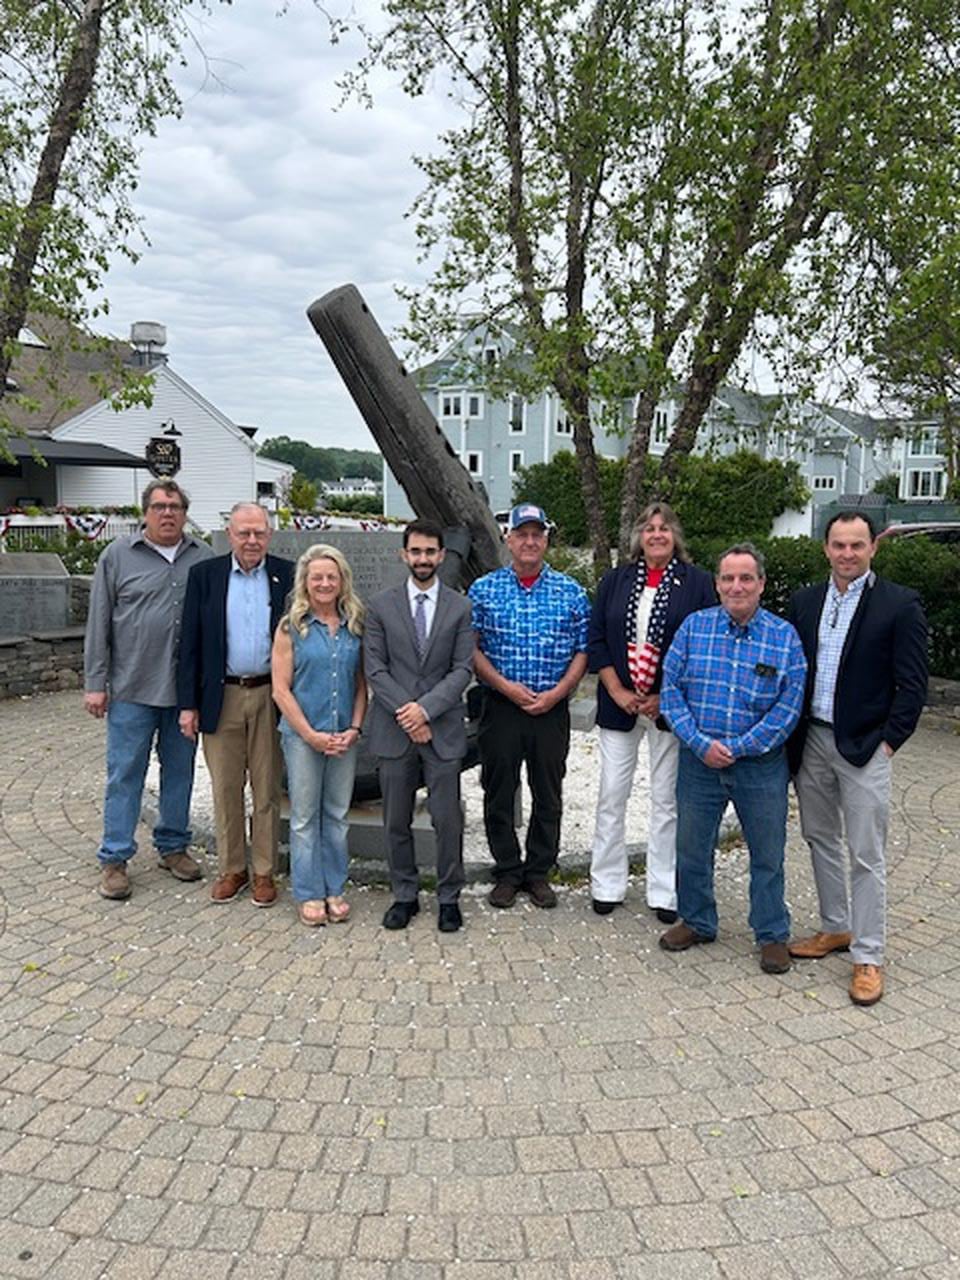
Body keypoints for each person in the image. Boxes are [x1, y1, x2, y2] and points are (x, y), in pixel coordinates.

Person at [786, 511, 928, 1007]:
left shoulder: (899, 605)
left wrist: (889, 742)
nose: (847, 553)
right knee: (819, 837)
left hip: (866, 747)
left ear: (873, 547)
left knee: (866, 853)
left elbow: (913, 685)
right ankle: (836, 927)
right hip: (812, 740)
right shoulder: (805, 601)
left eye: (857, 545)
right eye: (839, 545)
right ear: (826, 548)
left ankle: (868, 955)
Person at [659, 543, 807, 973]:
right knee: (691, 848)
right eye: (728, 578)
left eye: (746, 578)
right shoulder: (693, 628)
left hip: (760, 765)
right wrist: (699, 742)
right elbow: (671, 691)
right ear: (717, 584)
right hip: (699, 761)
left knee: (767, 855)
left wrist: (739, 747)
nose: (736, 586)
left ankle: (771, 933)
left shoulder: (784, 637)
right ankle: (697, 921)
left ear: (761, 584)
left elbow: (789, 708)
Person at [84, 479, 215, 899]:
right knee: (125, 774)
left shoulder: (204, 557)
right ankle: (115, 857)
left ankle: (173, 846)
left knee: (180, 772)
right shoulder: (117, 556)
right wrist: (95, 683)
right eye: (159, 506)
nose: (167, 513)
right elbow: (99, 621)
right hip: (132, 688)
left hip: (184, 694)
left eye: (175, 507)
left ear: (185, 513)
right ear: (145, 512)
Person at [587, 502, 715, 921]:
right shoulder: (615, 580)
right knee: (612, 794)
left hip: (670, 706)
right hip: (619, 703)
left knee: (666, 800)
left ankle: (664, 890)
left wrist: (667, 695)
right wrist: (616, 689)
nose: (657, 534)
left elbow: (703, 646)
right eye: (649, 528)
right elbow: (597, 637)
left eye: (664, 528)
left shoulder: (698, 583)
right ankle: (607, 883)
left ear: (675, 536)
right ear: (638, 537)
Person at [468, 502, 591, 909]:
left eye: (537, 534)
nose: (530, 541)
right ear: (509, 538)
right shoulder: (484, 590)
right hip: (501, 706)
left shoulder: (571, 592)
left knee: (548, 792)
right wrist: (504, 686)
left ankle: (538, 872)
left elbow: (583, 650)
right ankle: (507, 870)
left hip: (550, 708)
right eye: (522, 534)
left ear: (546, 540)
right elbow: (471, 648)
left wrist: (558, 694)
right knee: (498, 789)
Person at [177, 503, 294, 907]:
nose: (252, 540)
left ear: (269, 535)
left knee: (266, 788)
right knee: (226, 787)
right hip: (220, 696)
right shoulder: (205, 576)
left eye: (259, 532)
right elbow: (189, 644)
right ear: (230, 534)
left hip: (270, 695)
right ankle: (232, 869)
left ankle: (263, 871)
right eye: (244, 533)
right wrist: (188, 705)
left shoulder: (287, 575)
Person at [365, 520, 474, 932]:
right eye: (416, 551)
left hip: (442, 728)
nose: (423, 558)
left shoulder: (460, 607)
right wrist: (409, 715)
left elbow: (462, 670)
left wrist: (424, 712)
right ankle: (405, 895)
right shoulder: (380, 606)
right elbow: (375, 670)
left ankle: (449, 897)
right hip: (395, 729)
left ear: (441, 555)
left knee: (447, 820)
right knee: (396, 820)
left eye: (430, 551)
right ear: (404, 554)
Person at [271, 545, 366, 927]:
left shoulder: (354, 625)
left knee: (337, 815)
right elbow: (281, 690)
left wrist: (355, 728)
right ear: (305, 583)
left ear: (342, 581)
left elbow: (361, 684)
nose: (325, 583)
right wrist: (310, 735)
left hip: (344, 737)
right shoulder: (290, 628)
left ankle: (334, 888)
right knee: (304, 818)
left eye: (331, 577)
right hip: (302, 738)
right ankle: (309, 892)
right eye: (317, 577)